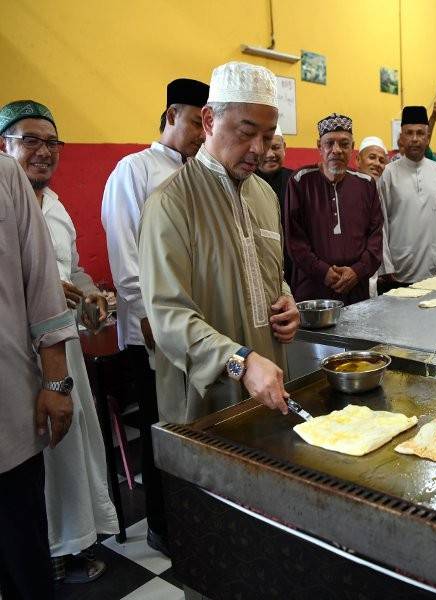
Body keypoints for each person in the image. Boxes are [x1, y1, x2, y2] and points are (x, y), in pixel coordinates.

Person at [139, 61, 300, 427]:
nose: (259, 149)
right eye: (246, 133)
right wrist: (239, 363)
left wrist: (286, 300)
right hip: (205, 402)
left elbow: (269, 273)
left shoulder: (263, 194)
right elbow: (168, 317)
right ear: (209, 120)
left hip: (269, 387)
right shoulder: (171, 204)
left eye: (269, 135)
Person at [0, 101, 118, 584]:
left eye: (52, 142)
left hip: (61, 357)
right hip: (17, 358)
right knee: (28, 461)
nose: (43, 152)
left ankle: (70, 543)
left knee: (67, 454)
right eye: (30, 140)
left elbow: (73, 272)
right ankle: (43, 551)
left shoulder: (56, 205)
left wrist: (89, 295)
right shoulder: (9, 194)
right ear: (5, 146)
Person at [102, 77, 208, 555]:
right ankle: (163, 526)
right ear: (169, 116)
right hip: (151, 328)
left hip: (192, 324)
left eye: (206, 124)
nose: (201, 134)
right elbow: (124, 252)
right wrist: (147, 316)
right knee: (158, 425)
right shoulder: (134, 170)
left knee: (191, 423)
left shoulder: (197, 172)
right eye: (193, 122)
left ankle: (195, 518)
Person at [0, 150, 76, 600]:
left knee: (23, 555)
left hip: (8, 408)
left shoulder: (5, 174)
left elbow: (42, 282)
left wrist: (55, 383)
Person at [285, 113, 383, 305]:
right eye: (329, 143)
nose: (336, 150)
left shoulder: (366, 184)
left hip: (356, 289)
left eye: (344, 144)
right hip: (312, 290)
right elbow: (294, 240)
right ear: (319, 147)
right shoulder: (300, 181)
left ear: (352, 148)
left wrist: (357, 271)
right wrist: (323, 271)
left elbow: (375, 237)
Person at [378, 106, 436, 291]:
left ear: (427, 138)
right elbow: (381, 222)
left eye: (420, 133)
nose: (415, 139)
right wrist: (386, 264)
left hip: (433, 265)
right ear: (401, 137)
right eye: (409, 133)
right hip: (399, 265)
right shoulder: (389, 173)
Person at [256, 123, 294, 283]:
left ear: (284, 147)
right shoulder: (244, 183)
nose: (270, 154)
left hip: (294, 268)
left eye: (276, 147)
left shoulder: (296, 182)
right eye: (265, 147)